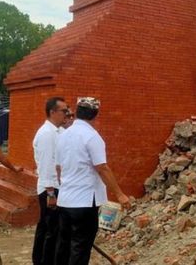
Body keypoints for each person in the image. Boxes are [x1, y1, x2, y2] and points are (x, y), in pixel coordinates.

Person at [54, 97, 131, 265]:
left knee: (64, 245)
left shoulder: (63, 136)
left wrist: (65, 187)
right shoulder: (92, 137)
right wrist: (120, 195)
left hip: (65, 200)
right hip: (84, 202)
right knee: (80, 249)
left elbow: (58, 168)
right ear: (95, 114)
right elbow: (102, 167)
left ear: (77, 111)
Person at [32, 97, 68, 265]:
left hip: (56, 186)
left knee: (48, 227)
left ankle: (40, 260)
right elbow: (47, 165)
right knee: (51, 230)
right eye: (64, 111)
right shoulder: (46, 134)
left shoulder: (57, 131)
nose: (66, 114)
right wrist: (51, 193)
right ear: (53, 112)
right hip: (50, 188)